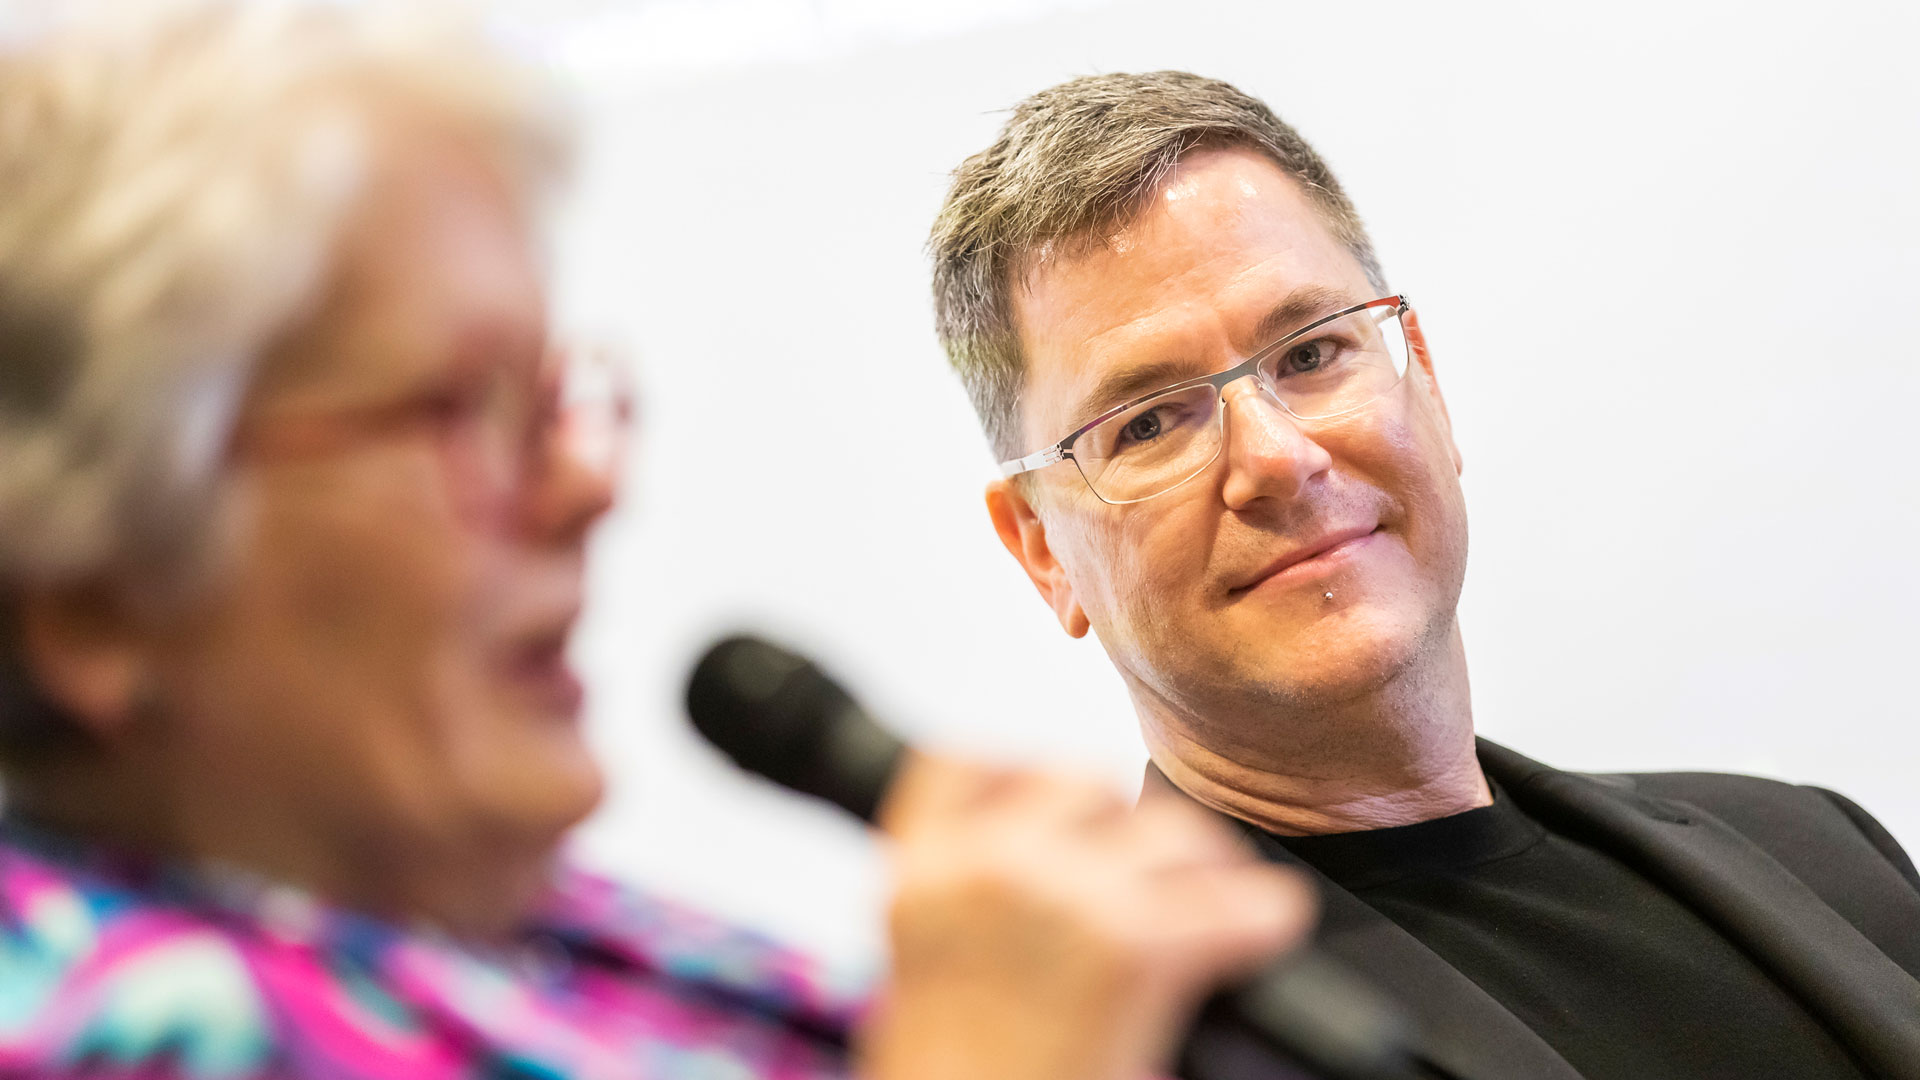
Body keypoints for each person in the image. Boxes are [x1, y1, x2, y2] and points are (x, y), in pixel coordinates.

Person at [0, 10, 1315, 1079]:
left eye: (557, 399)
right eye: (460, 411)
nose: (588, 482)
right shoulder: (115, 1028)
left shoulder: (508, 931)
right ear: (95, 590)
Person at [928, 70, 1920, 1080]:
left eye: (1313, 354)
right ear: (1042, 550)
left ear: (1429, 390)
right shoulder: (1133, 1048)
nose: (1277, 456)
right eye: (1146, 422)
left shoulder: (1815, 847)